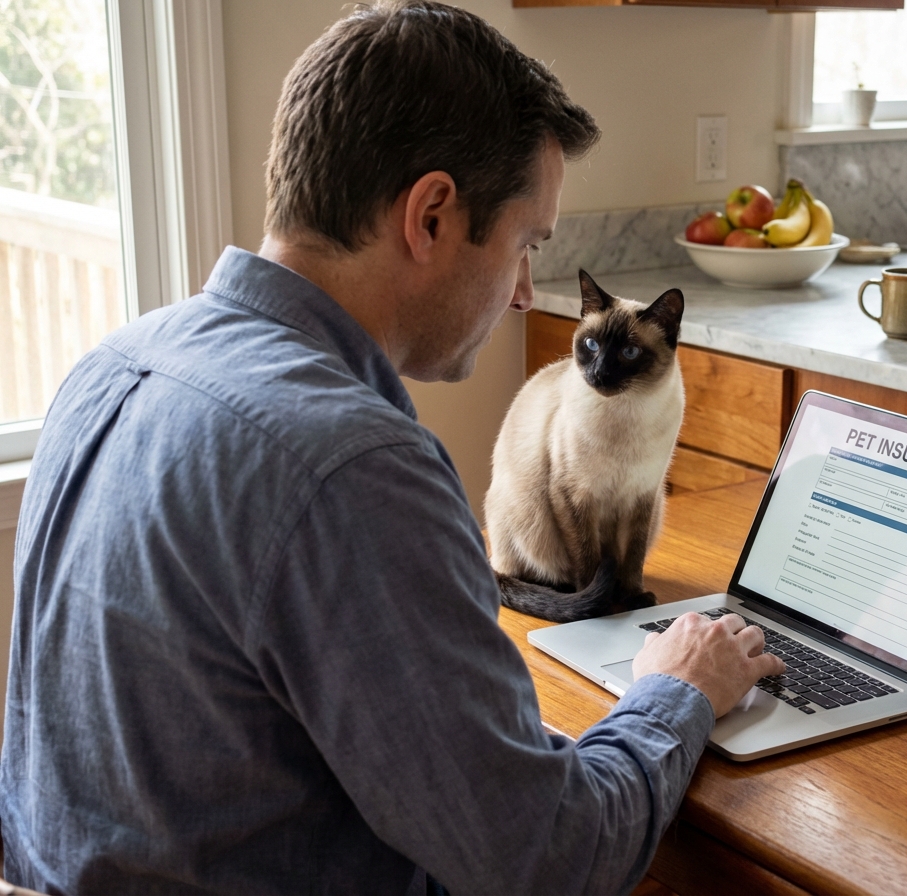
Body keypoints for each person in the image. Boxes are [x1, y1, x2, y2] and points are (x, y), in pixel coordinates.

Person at [0, 2, 783, 893]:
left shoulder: (112, 365)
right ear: (434, 216)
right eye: (526, 243)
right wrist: (676, 688)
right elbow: (549, 861)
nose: (526, 292)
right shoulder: (351, 466)